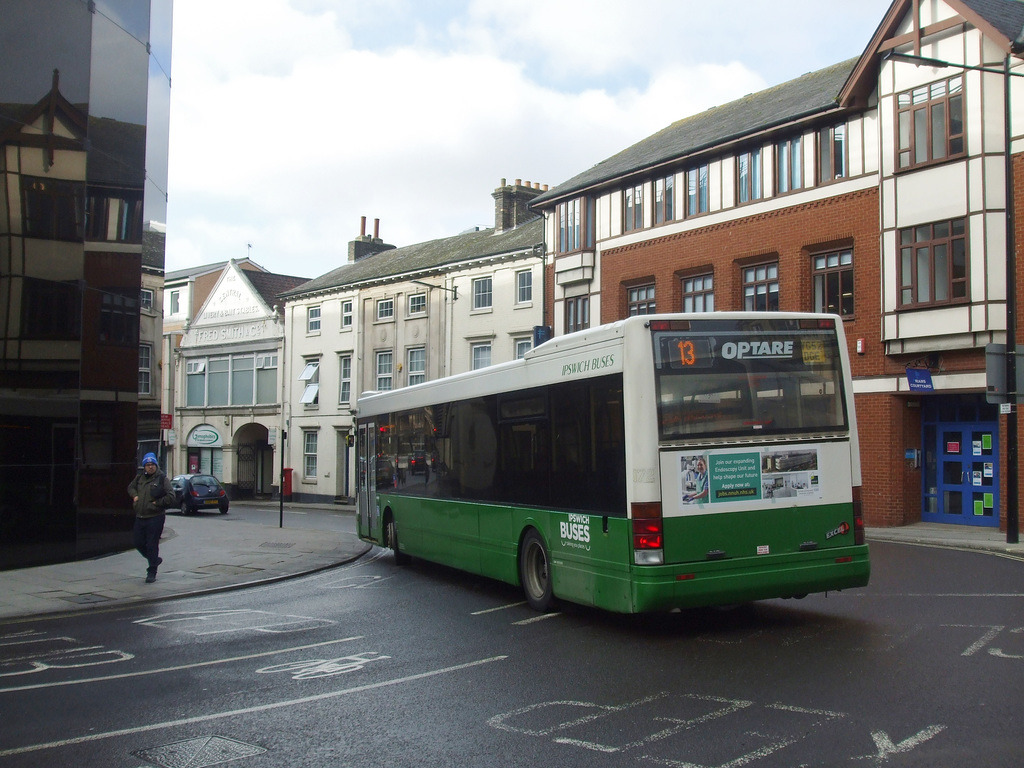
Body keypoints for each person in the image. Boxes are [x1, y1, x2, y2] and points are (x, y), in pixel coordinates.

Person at [128, 453, 175, 583]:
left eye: (152, 464)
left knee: (152, 544)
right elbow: (130, 487)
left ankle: (152, 572)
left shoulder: (161, 479)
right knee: (138, 542)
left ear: (156, 465)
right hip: (140, 516)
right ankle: (154, 560)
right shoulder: (139, 478)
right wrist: (135, 496)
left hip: (155, 517)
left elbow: (171, 496)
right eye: (147, 465)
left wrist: (158, 503)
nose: (150, 467)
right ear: (144, 466)